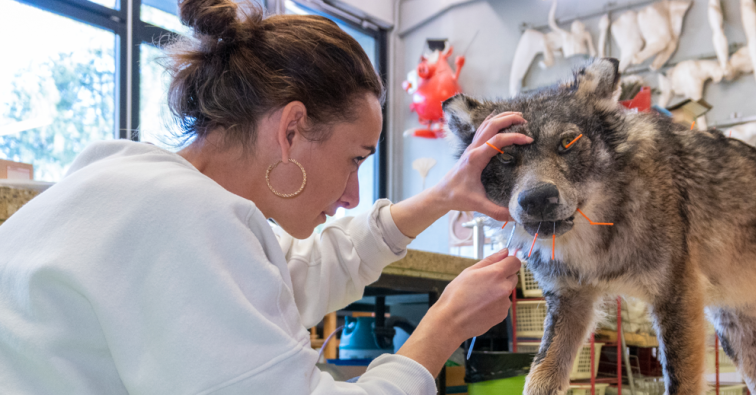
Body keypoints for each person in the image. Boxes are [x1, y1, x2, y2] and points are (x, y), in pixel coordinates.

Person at [0, 0, 531, 393]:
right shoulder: (178, 218)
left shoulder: (134, 188)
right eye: (355, 159)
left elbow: (286, 275)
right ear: (292, 129)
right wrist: (445, 328)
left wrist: (442, 197)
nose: (352, 195)